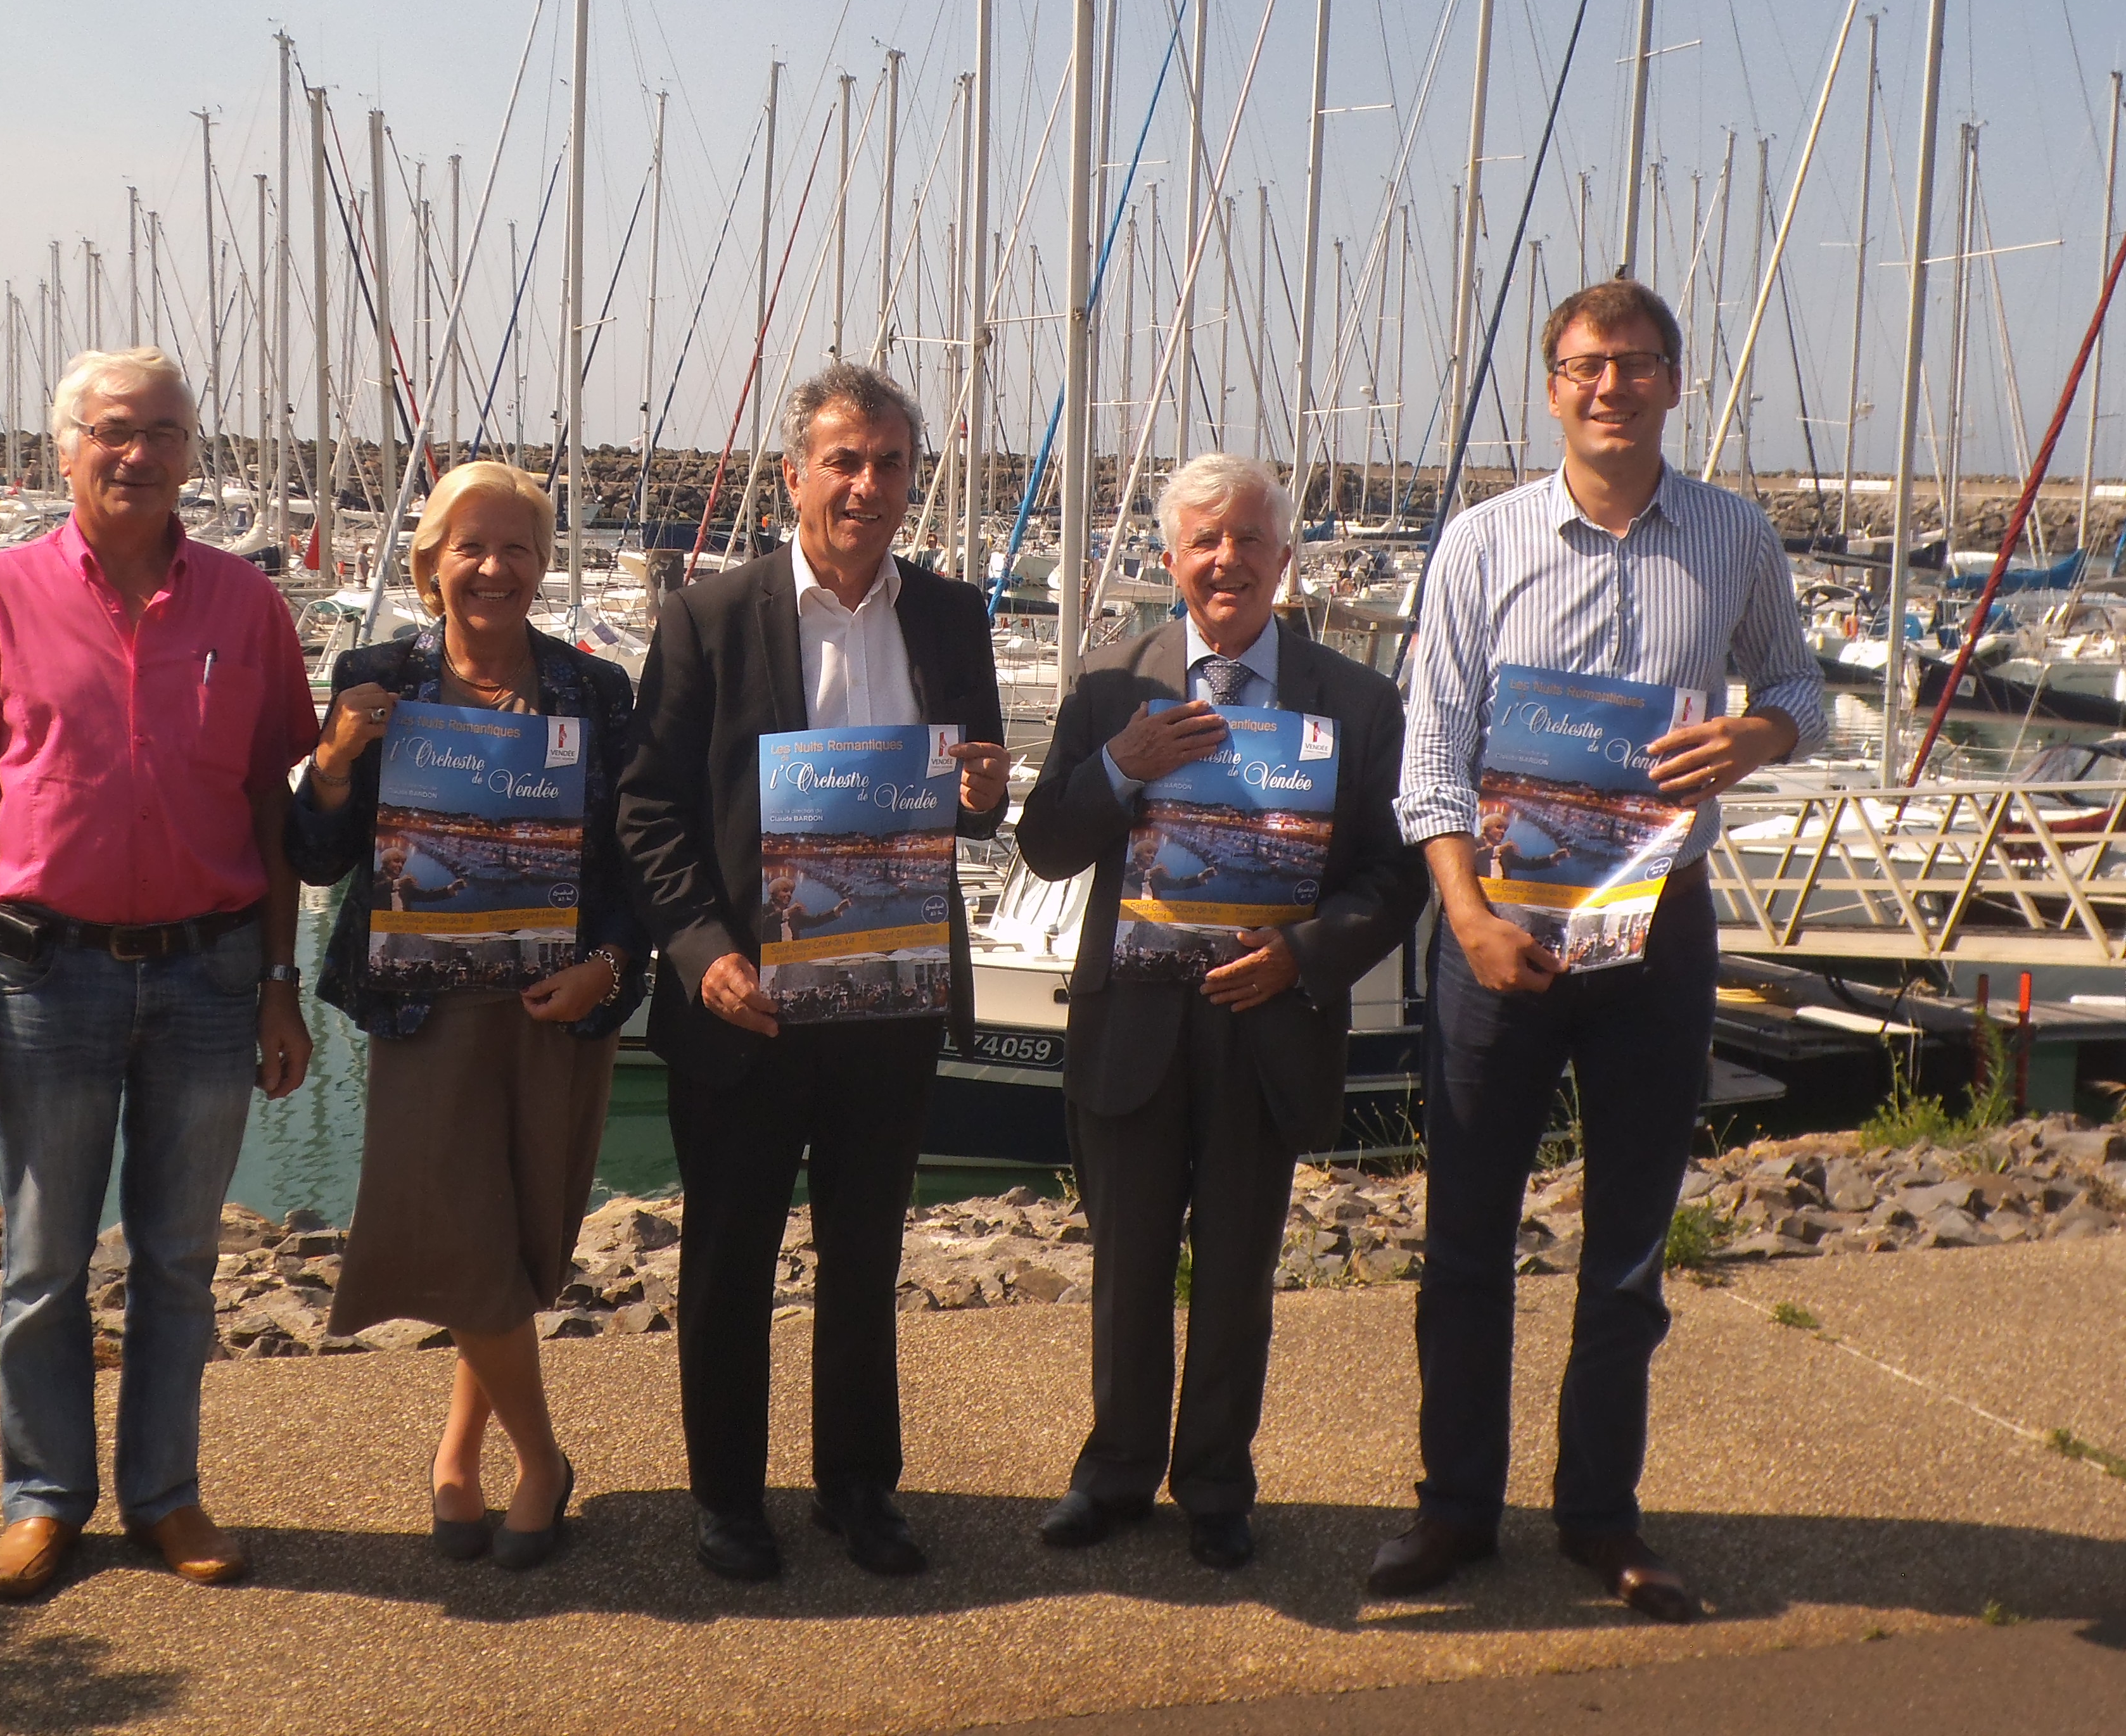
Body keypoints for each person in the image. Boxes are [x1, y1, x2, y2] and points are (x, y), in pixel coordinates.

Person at [1373, 278, 1825, 1621]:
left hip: (1658, 931)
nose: (1606, 386)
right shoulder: (1479, 543)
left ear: (1672, 383)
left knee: (1626, 1245)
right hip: (1493, 926)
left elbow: (1799, 686)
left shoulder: (1733, 540)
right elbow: (1430, 754)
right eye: (1581, 365)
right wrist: (1460, 915)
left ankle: (1599, 1518)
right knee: (1463, 1240)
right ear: (1551, 383)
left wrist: (1752, 738)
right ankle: (1453, 1507)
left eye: (1632, 365)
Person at [0, 346, 319, 1602]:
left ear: (194, 451)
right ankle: (43, 1501)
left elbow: (271, 807)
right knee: (42, 1260)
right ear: (65, 447)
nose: (139, 455)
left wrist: (281, 984)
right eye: (115, 432)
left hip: (209, 974)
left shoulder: (244, 605)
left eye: (165, 432)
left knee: (180, 1259)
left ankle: (164, 1497)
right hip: (45, 978)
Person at [617, 362, 1010, 1581]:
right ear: (794, 475)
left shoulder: (950, 616)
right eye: (843, 460)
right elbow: (647, 811)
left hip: (887, 1006)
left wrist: (985, 797)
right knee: (728, 1259)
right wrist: (700, 955)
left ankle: (858, 1487)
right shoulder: (711, 619)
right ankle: (729, 1500)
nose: (866, 485)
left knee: (867, 1256)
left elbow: (972, 802)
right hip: (745, 1006)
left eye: (889, 462)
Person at [1014, 452, 1427, 1569]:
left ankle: (1216, 1485)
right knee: (1128, 1264)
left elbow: (1396, 878)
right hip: (1133, 1024)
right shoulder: (1110, 686)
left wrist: (1302, 955)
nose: (1227, 559)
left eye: (1249, 539)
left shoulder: (1356, 700)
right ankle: (1112, 1476)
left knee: (1238, 1275)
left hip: (1268, 1025)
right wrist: (1119, 764)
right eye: (1204, 540)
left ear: (1284, 559)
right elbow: (1046, 844)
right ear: (1170, 560)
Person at [286, 459, 644, 1573]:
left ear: (545, 563)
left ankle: (455, 1456)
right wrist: (336, 763)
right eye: (470, 549)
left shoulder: (595, 690)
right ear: (429, 562)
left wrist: (613, 968)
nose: (494, 570)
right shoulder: (379, 679)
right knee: (460, 1234)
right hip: (427, 1010)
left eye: (518, 548)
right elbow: (313, 855)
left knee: (524, 1236)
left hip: (553, 1004)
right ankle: (541, 1460)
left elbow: (633, 859)